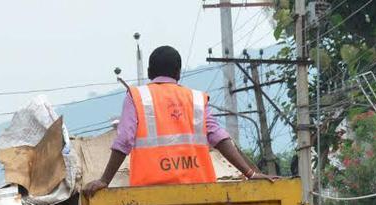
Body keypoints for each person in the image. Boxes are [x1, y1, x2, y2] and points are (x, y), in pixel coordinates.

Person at [82, 45, 272, 195]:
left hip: (149, 195)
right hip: (199, 192)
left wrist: (104, 181)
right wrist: (251, 173)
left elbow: (124, 140)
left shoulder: (137, 97)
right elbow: (220, 138)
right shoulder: (196, 99)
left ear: (149, 72)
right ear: (178, 72)